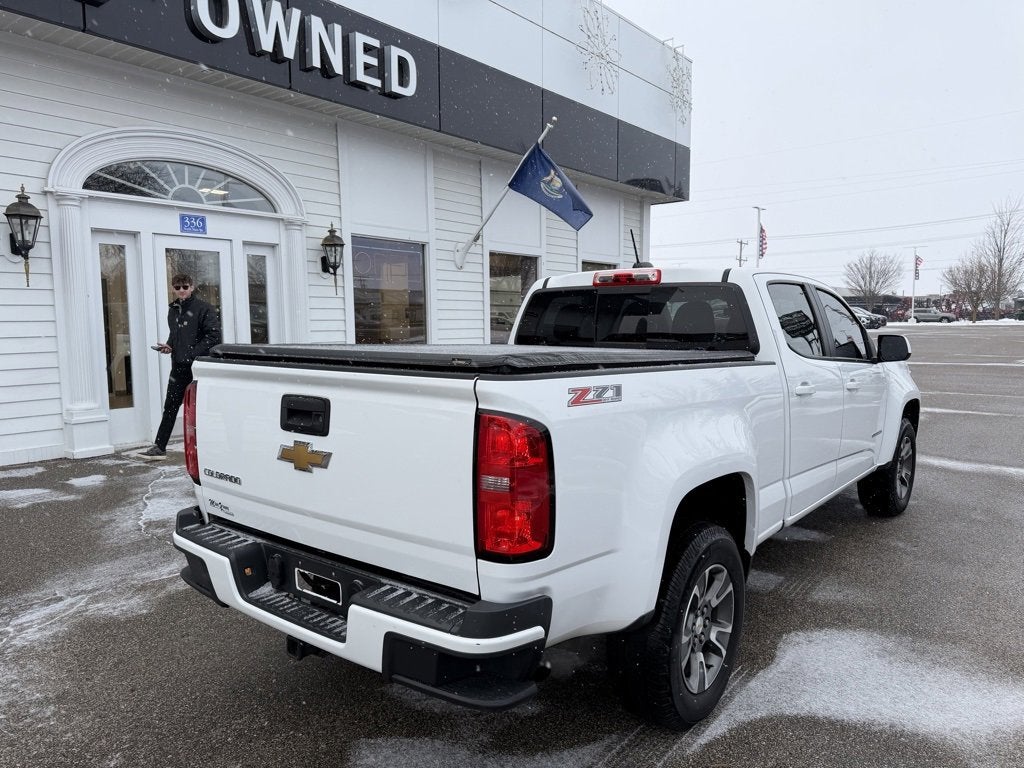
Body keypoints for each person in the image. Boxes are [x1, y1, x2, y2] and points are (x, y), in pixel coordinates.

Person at [139, 274, 221, 459]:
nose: (181, 290)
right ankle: (160, 447)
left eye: (185, 286)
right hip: (178, 367)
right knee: (170, 406)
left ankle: (209, 448)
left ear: (192, 287)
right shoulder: (173, 310)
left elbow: (213, 336)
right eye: (177, 287)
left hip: (199, 367)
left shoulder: (203, 308)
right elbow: (176, 335)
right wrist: (170, 346)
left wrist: (191, 353)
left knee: (201, 409)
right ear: (173, 289)